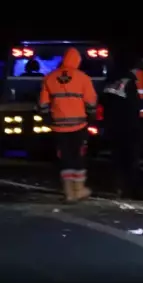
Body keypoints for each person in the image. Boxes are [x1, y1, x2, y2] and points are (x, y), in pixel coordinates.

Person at [38, 47, 98, 202]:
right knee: (78, 156)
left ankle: (69, 192)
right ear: (77, 61)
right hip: (79, 125)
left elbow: (43, 104)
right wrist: (91, 116)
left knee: (64, 157)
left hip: (58, 125)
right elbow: (91, 102)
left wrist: (47, 118)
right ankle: (79, 190)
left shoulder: (49, 77)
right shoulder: (83, 78)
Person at [102, 55, 143, 199]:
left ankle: (118, 188)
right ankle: (133, 191)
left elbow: (105, 104)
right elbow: (134, 106)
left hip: (113, 127)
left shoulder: (111, 82)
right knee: (131, 160)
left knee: (117, 159)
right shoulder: (129, 83)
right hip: (128, 127)